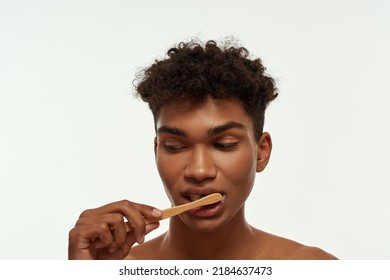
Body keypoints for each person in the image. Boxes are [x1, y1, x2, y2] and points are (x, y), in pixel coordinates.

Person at [68, 39, 337, 260]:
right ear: (157, 151)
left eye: (224, 145)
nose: (199, 171)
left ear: (261, 151)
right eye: (174, 147)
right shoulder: (112, 269)